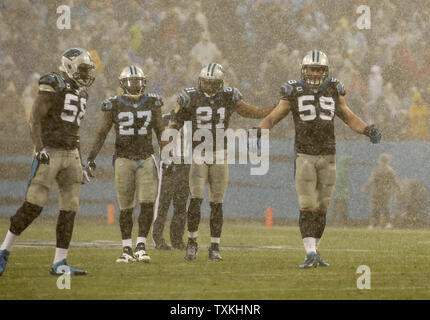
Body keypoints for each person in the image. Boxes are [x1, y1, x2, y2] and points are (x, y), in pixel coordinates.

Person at [255, 50, 382, 269]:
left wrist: (367, 130)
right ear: (304, 70)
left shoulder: (333, 88)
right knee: (307, 205)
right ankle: (310, 252)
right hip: (304, 155)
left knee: (322, 207)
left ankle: (314, 250)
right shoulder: (293, 90)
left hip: (328, 153)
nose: (314, 73)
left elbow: (348, 116)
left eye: (319, 69)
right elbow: (274, 116)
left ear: (325, 71)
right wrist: (259, 131)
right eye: (311, 69)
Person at [0, 48, 96, 276]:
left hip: (71, 153)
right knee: (33, 206)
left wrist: (81, 162)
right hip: (50, 151)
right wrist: (40, 148)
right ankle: (4, 250)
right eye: (82, 68)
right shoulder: (53, 83)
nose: (86, 74)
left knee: (70, 208)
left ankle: (60, 262)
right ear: (70, 66)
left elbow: (76, 130)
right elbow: (34, 119)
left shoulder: (82, 92)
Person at [169, 62, 274, 261]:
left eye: (212, 83)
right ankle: (192, 242)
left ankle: (215, 246)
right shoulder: (191, 96)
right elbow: (176, 121)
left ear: (220, 83)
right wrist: (169, 146)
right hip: (199, 152)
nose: (208, 87)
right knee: (196, 200)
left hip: (220, 153)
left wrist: (270, 111)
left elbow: (247, 111)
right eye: (205, 83)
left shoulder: (227, 96)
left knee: (217, 203)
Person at [85, 65, 164, 263]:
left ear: (143, 82)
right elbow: (102, 132)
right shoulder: (114, 104)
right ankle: (126, 248)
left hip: (146, 157)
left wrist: (168, 156)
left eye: (138, 82)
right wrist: (91, 157)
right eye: (132, 82)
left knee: (147, 203)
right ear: (123, 84)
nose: (136, 86)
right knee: (126, 207)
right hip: (123, 159)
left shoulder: (153, 102)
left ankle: (141, 246)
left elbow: (161, 132)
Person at [152, 111, 190, 250]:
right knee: (163, 204)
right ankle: (158, 238)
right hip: (169, 164)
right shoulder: (166, 118)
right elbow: (161, 139)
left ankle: (177, 239)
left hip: (185, 164)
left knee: (181, 205)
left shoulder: (191, 117)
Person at [361, 153, 401, 229]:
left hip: (376, 192)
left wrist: (365, 188)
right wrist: (399, 190)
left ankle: (374, 224)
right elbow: (395, 181)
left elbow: (372, 180)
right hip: (385, 192)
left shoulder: (377, 169)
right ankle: (388, 223)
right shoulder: (390, 170)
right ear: (388, 161)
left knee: (375, 208)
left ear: (380, 160)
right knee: (385, 208)